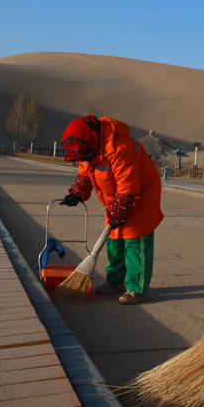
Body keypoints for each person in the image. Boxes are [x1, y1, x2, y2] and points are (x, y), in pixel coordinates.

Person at [59, 115, 163, 305]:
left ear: (94, 140)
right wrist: (77, 193)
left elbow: (128, 184)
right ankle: (114, 281)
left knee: (134, 242)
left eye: (86, 156)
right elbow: (85, 171)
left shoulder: (121, 147)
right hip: (116, 200)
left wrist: (118, 210)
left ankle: (136, 288)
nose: (85, 160)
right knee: (114, 242)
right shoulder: (87, 147)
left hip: (140, 196)